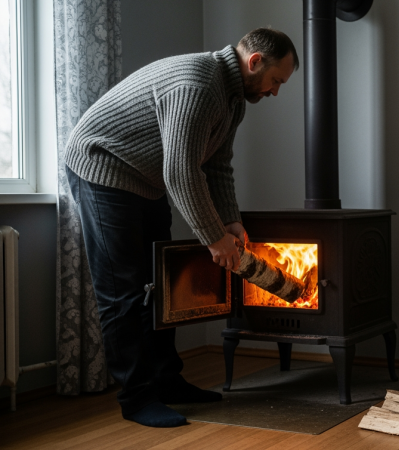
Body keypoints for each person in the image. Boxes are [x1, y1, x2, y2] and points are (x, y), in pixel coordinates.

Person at [62, 28, 299, 428]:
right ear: (255, 62)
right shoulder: (198, 82)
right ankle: (136, 399)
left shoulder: (233, 101)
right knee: (123, 291)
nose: (275, 91)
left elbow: (216, 166)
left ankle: (167, 382)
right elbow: (181, 171)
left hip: (146, 179)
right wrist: (214, 239)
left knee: (162, 284)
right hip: (103, 168)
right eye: (276, 80)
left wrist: (231, 220)